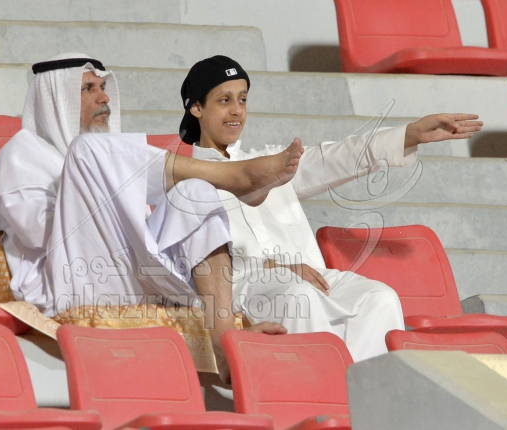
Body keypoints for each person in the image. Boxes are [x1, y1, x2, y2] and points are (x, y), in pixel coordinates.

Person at [0, 53, 301, 379]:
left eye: (103, 87)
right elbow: (37, 235)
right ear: (55, 99)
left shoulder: (106, 158)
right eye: (88, 89)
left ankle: (224, 340)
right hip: (72, 282)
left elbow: (136, 232)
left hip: (132, 278)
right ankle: (234, 176)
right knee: (86, 151)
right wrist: (85, 186)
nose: (104, 97)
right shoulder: (24, 153)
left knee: (195, 192)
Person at [183, 55, 484, 362]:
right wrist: (275, 268)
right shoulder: (186, 180)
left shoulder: (272, 161)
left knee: (379, 298)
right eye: (224, 100)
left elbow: (336, 158)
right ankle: (317, 388)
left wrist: (409, 135)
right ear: (197, 108)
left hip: (309, 277)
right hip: (242, 286)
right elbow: (190, 266)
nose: (237, 110)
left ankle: (364, 389)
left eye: (243, 99)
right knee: (299, 297)